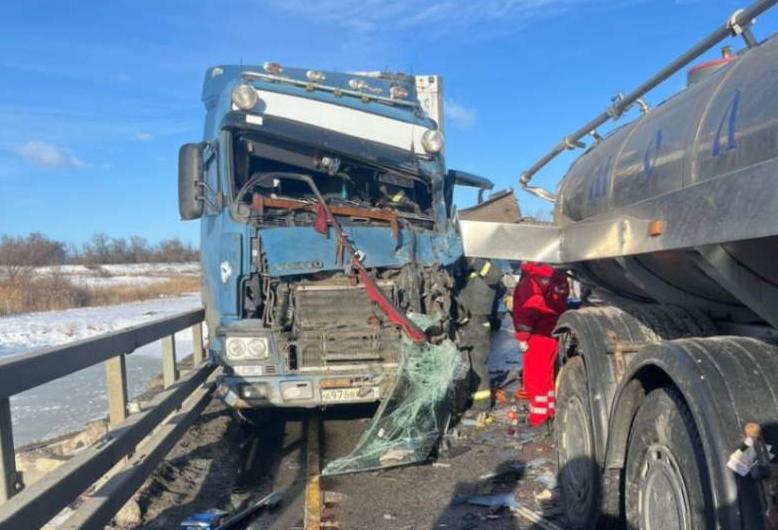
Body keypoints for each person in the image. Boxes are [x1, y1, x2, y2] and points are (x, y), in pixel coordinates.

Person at [512, 263, 569, 427]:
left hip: (537, 335)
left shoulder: (531, 280)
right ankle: (550, 411)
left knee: (535, 378)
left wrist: (523, 336)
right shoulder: (559, 278)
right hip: (551, 333)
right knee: (547, 376)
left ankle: (538, 417)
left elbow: (529, 308)